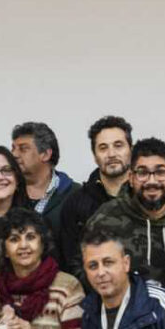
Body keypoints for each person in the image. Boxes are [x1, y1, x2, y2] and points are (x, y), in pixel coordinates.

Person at [87, 138, 165, 286]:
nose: (151, 181)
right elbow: (85, 269)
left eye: (160, 172)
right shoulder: (106, 219)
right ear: (131, 178)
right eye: (142, 173)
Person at [58, 115, 134, 282]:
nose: (111, 153)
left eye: (118, 145)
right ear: (94, 155)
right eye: (103, 148)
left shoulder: (146, 196)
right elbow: (72, 263)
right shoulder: (76, 204)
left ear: (131, 149)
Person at [10, 122, 79, 234]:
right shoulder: (6, 193)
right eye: (13, 148)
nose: (14, 154)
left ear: (46, 154)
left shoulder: (76, 195)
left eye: (23, 149)